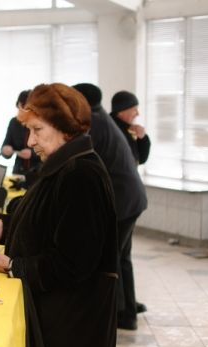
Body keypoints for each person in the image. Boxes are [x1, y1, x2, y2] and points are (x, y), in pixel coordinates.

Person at [0, 83, 118, 347]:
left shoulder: (81, 175)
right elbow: (42, 219)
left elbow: (73, 263)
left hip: (72, 328)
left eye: (37, 130)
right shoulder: (63, 164)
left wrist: (13, 265)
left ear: (66, 129)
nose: (29, 141)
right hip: (60, 319)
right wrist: (3, 223)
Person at [74, 83, 148, 330]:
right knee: (121, 257)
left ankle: (118, 313)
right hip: (130, 197)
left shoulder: (94, 124)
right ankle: (127, 312)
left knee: (111, 259)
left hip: (122, 200)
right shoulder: (100, 117)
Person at [0, 89, 42, 176]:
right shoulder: (14, 122)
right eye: (18, 108)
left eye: (22, 109)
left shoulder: (41, 122)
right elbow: (6, 144)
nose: (19, 113)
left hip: (38, 172)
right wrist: (5, 150)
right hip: (18, 172)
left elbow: (51, 151)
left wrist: (32, 154)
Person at [110, 90, 151, 164]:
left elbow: (140, 159)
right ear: (121, 111)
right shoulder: (112, 131)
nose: (138, 114)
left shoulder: (126, 129)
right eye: (134, 109)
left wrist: (142, 138)